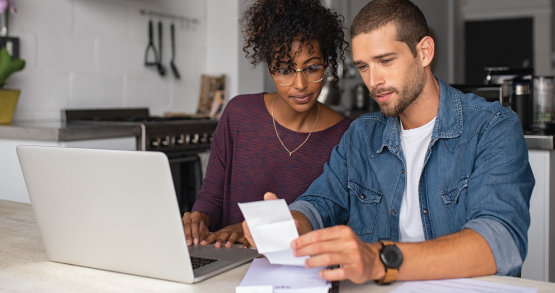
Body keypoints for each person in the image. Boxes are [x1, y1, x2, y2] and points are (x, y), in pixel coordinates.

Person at [244, 0, 535, 285]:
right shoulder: (361, 135)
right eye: (363, 66)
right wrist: (291, 223)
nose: (373, 80)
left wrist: (381, 259)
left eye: (385, 61)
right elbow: (321, 202)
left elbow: (502, 241)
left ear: (424, 52)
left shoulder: (492, 126)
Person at [182, 0, 351, 249]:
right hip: (227, 259)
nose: (300, 84)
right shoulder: (238, 114)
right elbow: (212, 197)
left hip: (297, 271)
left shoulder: (345, 135)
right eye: (284, 70)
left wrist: (249, 230)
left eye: (312, 68)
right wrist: (200, 219)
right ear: (270, 70)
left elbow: (333, 219)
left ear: (327, 63)